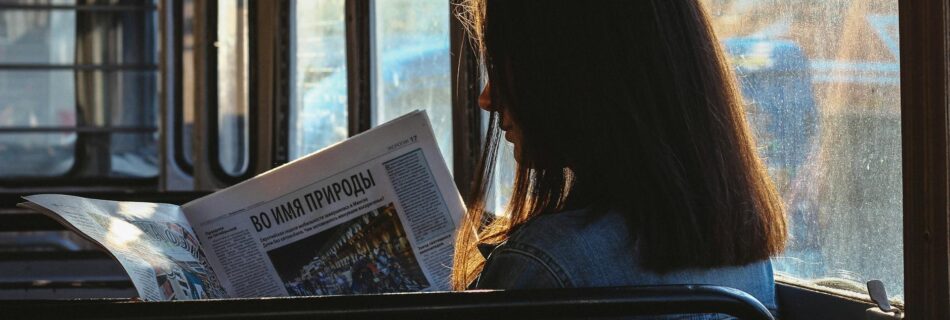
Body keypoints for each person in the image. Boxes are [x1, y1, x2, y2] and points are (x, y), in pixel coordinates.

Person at [450, 0, 788, 317]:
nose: (486, 98)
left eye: (505, 66)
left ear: (576, 74)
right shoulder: (747, 262)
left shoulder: (546, 268)